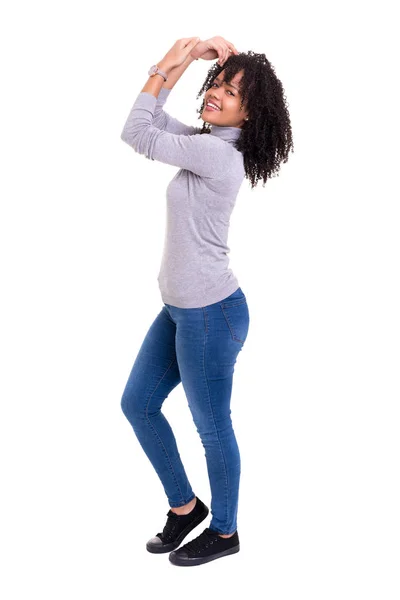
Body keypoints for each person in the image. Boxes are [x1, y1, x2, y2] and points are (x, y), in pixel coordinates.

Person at [119, 36, 294, 567]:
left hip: (210, 315)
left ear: (251, 110)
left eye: (232, 90)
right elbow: (151, 123)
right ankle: (185, 507)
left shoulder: (217, 154)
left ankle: (224, 531)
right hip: (181, 310)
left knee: (212, 425)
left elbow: (137, 132)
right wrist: (185, 68)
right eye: (217, 83)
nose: (217, 92)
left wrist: (170, 62)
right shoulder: (207, 141)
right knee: (138, 404)